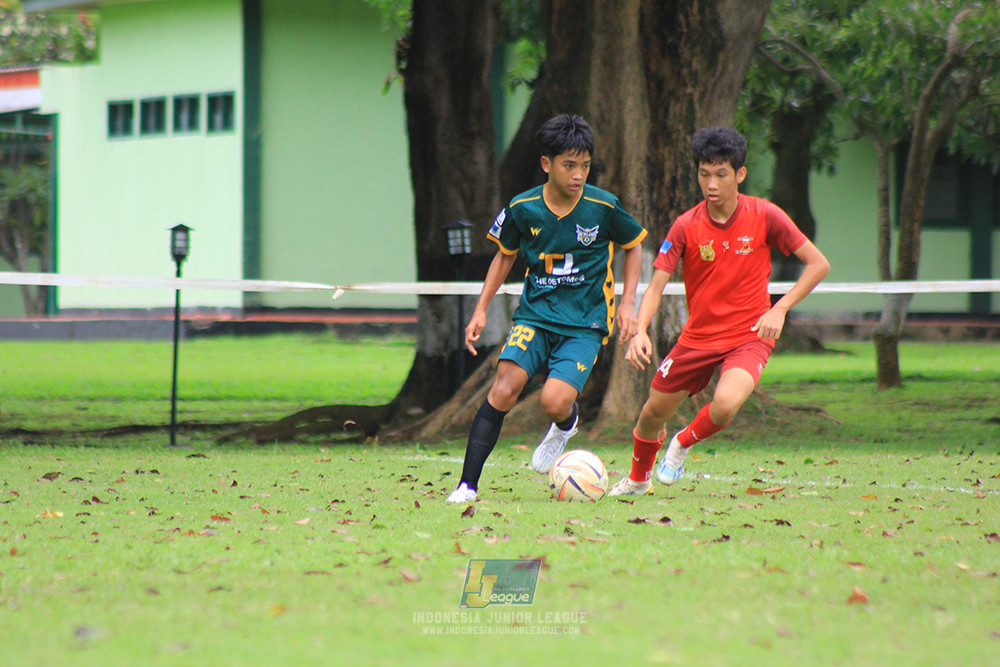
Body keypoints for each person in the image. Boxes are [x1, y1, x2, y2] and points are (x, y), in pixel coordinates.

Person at [608, 126, 830, 496]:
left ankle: (681, 444)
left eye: (721, 174)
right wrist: (642, 329)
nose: (711, 183)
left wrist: (780, 309)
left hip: (749, 336)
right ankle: (637, 480)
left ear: (739, 175)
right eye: (704, 173)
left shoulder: (765, 215)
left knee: (725, 404)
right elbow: (657, 286)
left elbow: (818, 264)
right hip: (697, 338)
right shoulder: (685, 226)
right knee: (650, 417)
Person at [447, 113, 648, 503]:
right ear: (547, 165)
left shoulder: (603, 206)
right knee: (504, 388)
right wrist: (480, 310)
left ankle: (566, 424)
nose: (578, 175)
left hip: (585, 322)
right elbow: (504, 257)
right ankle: (467, 485)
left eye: (585, 166)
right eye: (569, 165)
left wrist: (627, 306)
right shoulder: (522, 208)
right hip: (535, 315)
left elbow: (634, 245)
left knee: (553, 401)